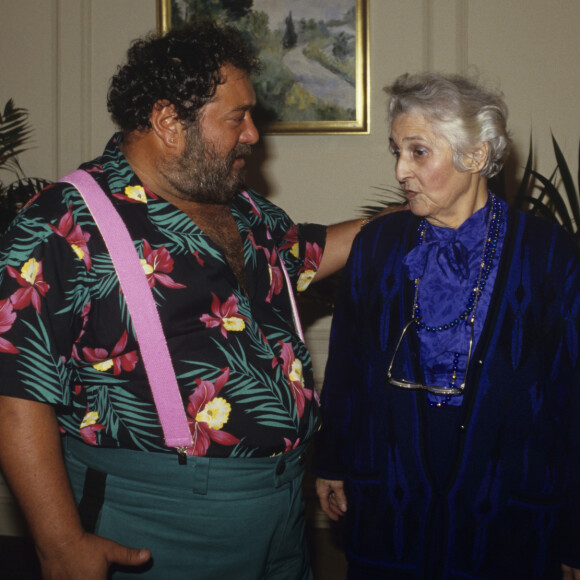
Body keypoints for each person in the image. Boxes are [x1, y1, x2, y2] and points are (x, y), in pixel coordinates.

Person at [0, 22, 369, 580]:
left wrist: (418, 214)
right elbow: (14, 392)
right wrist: (59, 545)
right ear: (169, 121)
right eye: (236, 117)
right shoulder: (62, 224)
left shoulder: (244, 208)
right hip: (159, 515)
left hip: (282, 508)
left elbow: (308, 251)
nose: (253, 135)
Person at [314, 72, 580, 579]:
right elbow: (348, 363)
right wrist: (332, 460)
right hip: (389, 501)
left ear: (475, 156)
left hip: (509, 517)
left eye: (418, 152)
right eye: (395, 151)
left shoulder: (549, 255)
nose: (399, 171)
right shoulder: (377, 245)